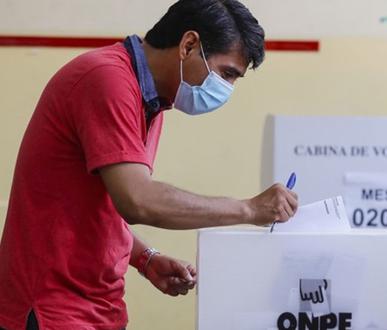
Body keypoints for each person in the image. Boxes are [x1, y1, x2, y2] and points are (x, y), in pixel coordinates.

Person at [0, 1, 298, 329]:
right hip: (51, 308)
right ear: (188, 45)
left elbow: (95, 207)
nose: (226, 90)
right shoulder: (107, 80)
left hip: (98, 305)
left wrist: (146, 259)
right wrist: (248, 210)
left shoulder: (151, 99)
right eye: (226, 74)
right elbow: (137, 201)